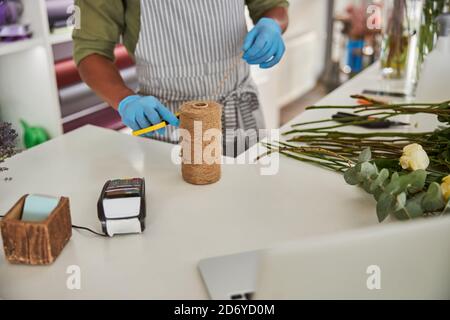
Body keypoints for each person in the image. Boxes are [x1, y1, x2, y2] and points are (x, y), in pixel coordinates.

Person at [73, 0, 289, 156]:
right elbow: (90, 51)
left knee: (248, 201)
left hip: (240, 117)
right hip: (166, 125)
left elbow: (273, 6)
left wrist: (272, 25)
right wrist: (125, 99)